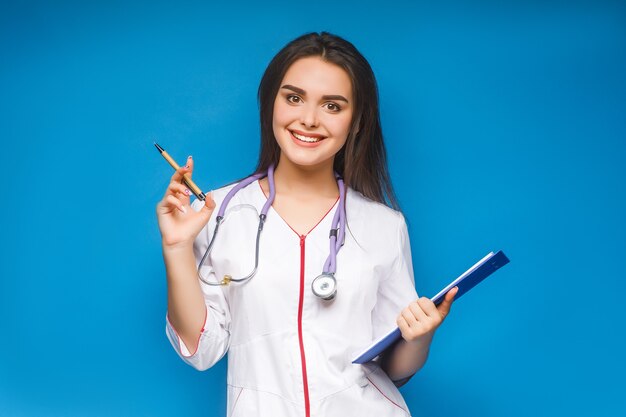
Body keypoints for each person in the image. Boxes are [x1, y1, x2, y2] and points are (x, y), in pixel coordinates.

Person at [156, 32, 458, 417]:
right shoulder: (216, 212)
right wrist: (177, 248)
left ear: (358, 121)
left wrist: (420, 338)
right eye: (293, 98)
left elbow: (391, 368)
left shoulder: (384, 225)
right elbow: (201, 350)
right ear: (271, 104)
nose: (309, 119)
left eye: (332, 105)